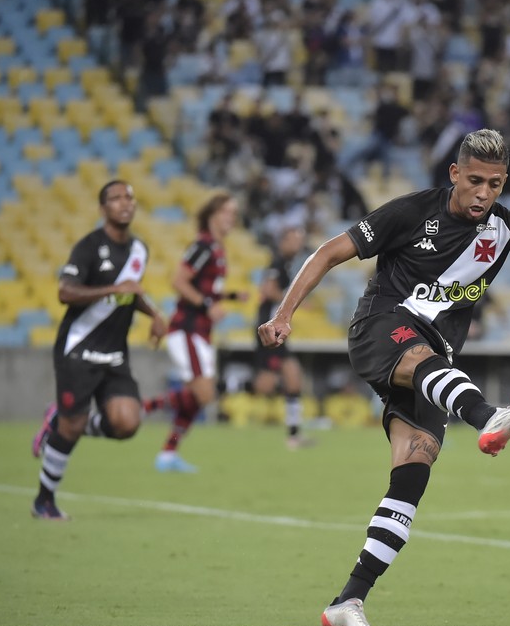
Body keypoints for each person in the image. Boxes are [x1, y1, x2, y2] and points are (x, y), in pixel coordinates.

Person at [258, 128, 510, 626]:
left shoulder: (508, 227)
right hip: (382, 327)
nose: (483, 193)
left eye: (494, 184)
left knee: (413, 470)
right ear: (454, 173)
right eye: (474, 180)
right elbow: (329, 252)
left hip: (436, 364)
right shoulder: (410, 212)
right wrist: (284, 313)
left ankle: (348, 602)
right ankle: (489, 416)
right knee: (424, 359)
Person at [30, 180, 167, 520]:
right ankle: (44, 501)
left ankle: (58, 420)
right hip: (79, 349)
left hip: (114, 354)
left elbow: (130, 292)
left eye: (129, 197)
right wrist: (111, 290)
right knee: (71, 428)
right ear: (103, 208)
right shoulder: (89, 247)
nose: (125, 203)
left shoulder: (140, 250)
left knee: (127, 422)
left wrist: (154, 314)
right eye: (116, 198)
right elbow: (66, 292)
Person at [141, 193, 248, 472]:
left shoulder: (217, 248)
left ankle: (168, 454)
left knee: (196, 397)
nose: (231, 218)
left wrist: (231, 296)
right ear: (212, 214)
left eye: (234, 213)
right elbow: (179, 281)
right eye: (226, 212)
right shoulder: (203, 246)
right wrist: (209, 305)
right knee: (204, 394)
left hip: (200, 332)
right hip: (187, 328)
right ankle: (141, 407)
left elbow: (205, 288)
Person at [252, 225, 313, 449]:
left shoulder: (285, 265)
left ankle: (294, 435)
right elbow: (267, 290)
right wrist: (293, 301)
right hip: (269, 329)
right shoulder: (277, 263)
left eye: (299, 240)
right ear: (282, 242)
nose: (297, 244)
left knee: (292, 376)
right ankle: (226, 392)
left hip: (275, 329)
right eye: (293, 239)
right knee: (266, 384)